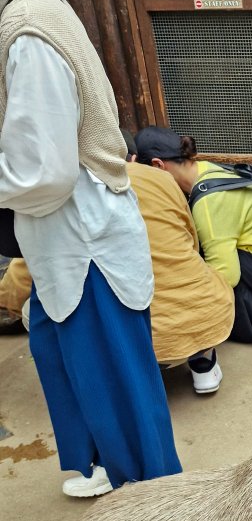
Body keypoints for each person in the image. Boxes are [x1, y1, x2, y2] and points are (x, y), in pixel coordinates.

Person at [0, 0, 181, 497]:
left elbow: (42, 172)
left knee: (118, 379)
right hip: (71, 234)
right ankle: (105, 468)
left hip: (82, 236)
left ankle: (153, 511)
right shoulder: (36, 1)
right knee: (69, 357)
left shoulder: (27, 32)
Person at [0, 132, 236, 393]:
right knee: (199, 274)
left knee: (33, 311)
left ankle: (110, 377)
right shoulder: (161, 179)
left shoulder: (68, 191)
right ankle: (203, 364)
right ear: (133, 158)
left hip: (134, 332)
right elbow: (190, 239)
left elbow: (27, 271)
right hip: (208, 317)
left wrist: (7, 303)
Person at [134, 126, 252, 345]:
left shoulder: (209, 202)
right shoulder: (209, 170)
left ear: (157, 166)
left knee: (211, 274)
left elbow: (227, 276)